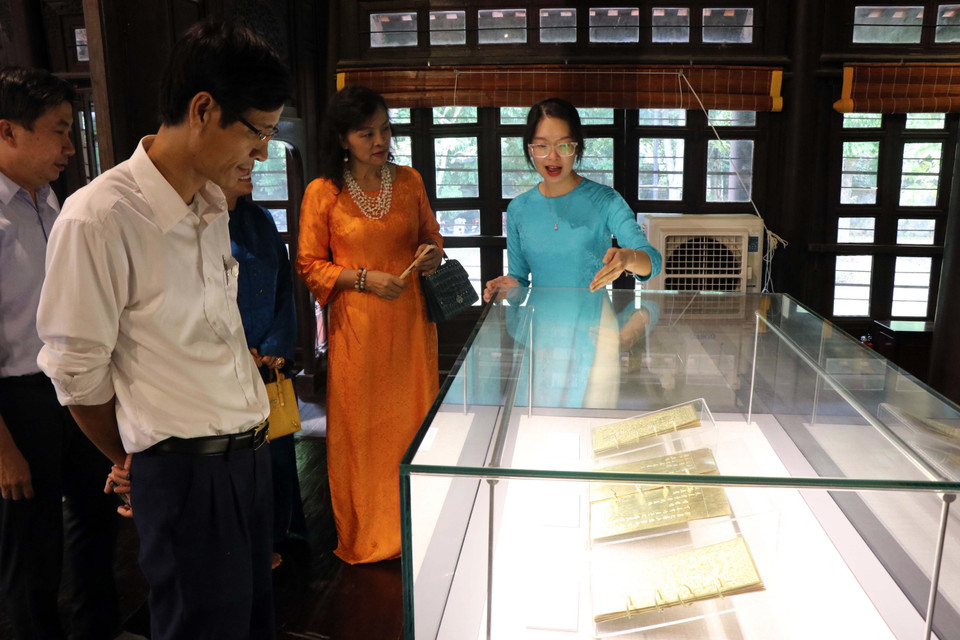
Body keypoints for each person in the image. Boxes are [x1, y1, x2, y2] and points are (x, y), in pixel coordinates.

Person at [36, 21, 292, 640]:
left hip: (248, 459)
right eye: (256, 132)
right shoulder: (100, 217)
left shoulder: (210, 204)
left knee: (253, 624)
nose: (261, 153)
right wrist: (132, 458)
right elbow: (76, 372)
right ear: (203, 110)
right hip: (185, 475)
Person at [296, 85, 442, 564]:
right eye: (366, 133)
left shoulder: (410, 181)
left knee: (411, 423)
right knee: (363, 429)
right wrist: (362, 279)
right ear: (342, 138)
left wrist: (430, 254)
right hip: (357, 329)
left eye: (385, 130)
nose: (380, 141)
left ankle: (417, 528)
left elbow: (432, 237)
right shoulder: (323, 192)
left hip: (410, 324)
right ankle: (370, 533)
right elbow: (308, 264)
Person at [0, 65, 120, 640]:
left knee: (97, 520)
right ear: (7, 131)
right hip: (19, 401)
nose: (71, 148)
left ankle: (99, 630)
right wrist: (3, 450)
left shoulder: (54, 202)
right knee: (32, 545)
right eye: (59, 131)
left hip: (76, 387)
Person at [482, 97, 663, 408]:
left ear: (577, 147)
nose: (552, 157)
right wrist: (507, 288)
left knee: (589, 420)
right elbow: (520, 280)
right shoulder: (519, 209)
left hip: (593, 329)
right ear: (529, 149)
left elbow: (653, 261)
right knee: (540, 420)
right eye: (542, 146)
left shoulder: (605, 200)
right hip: (542, 332)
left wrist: (627, 258)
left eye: (564, 145)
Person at [222, 176, 307, 569]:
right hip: (225, 363)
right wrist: (239, 351)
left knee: (275, 453)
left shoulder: (261, 218)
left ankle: (276, 533)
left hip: (269, 363)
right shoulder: (197, 223)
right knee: (237, 460)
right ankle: (244, 545)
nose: (253, 163)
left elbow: (284, 287)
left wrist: (275, 347)